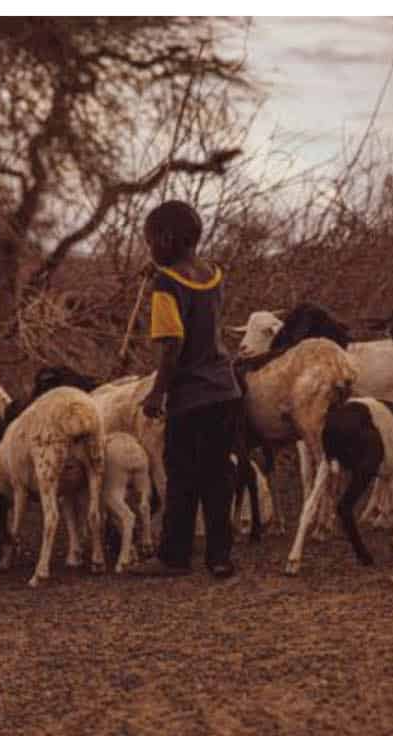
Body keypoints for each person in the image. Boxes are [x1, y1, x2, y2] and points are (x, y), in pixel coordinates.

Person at [135, 198, 242, 579]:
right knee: (218, 476)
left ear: (165, 239)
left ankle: (175, 556)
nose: (149, 250)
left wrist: (157, 393)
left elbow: (172, 346)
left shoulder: (166, 285)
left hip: (190, 396)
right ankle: (220, 556)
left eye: (150, 242)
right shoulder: (213, 273)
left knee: (181, 476)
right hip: (225, 390)